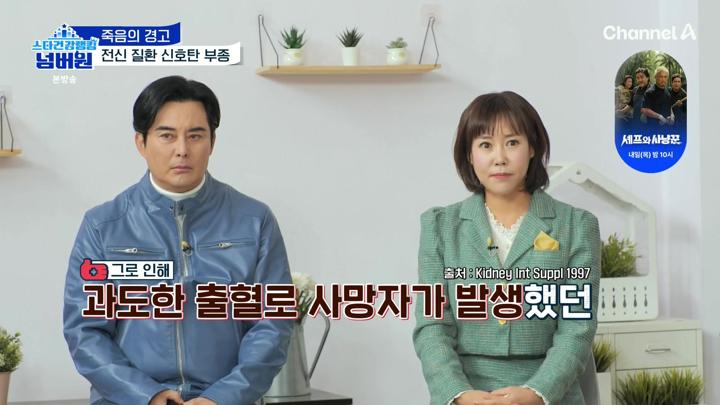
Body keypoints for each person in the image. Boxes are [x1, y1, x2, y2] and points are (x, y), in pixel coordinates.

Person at [63, 76, 293, 405]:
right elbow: (85, 331)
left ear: (212, 142)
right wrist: (148, 395)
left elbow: (273, 322)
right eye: (167, 135)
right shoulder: (103, 226)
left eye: (195, 135)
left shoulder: (254, 220)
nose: (182, 149)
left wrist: (221, 398)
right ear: (141, 142)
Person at [413, 91, 600, 405]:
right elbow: (432, 325)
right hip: (466, 393)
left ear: (532, 148)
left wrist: (537, 393)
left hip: (552, 394)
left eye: (512, 142)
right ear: (469, 154)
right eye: (486, 145)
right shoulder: (440, 226)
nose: (499, 157)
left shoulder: (577, 226)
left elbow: (577, 327)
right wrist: (458, 394)